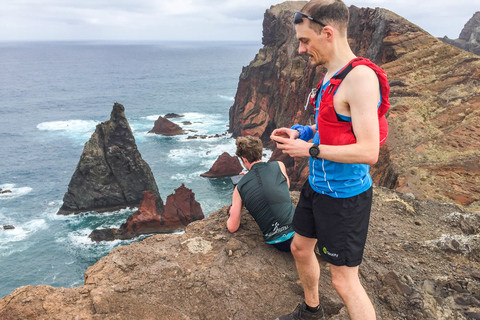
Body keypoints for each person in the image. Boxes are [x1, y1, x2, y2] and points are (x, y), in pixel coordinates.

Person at [270, 1, 390, 319]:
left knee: (345, 282)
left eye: (304, 40)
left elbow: (369, 151)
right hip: (318, 186)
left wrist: (309, 151)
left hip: (345, 197)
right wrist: (302, 133)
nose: (300, 49)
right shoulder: (330, 74)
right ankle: (312, 312)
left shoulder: (361, 78)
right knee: (299, 247)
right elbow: (331, 125)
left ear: (327, 33)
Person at [227, 136, 295, 252]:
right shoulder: (279, 165)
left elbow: (232, 227)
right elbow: (285, 187)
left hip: (279, 243)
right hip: (300, 233)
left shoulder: (239, 187)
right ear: (260, 152)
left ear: (244, 159)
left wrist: (235, 206)